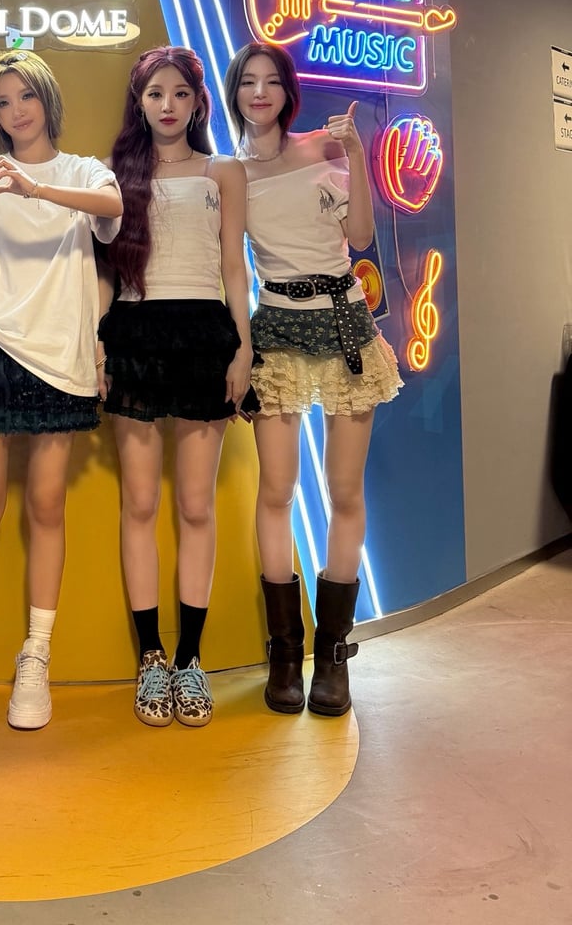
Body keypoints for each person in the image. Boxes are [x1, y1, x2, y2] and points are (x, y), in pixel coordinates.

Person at [0, 50, 123, 733]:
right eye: (3, 102)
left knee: (46, 505)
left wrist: (36, 188)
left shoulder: (82, 172)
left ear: (47, 99)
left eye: (26, 97)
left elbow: (112, 208)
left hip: (59, 359)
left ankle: (36, 657)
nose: (16, 111)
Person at [224, 41, 402, 717]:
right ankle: (284, 651)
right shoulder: (231, 173)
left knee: (345, 491)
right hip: (276, 326)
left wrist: (356, 154)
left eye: (271, 81)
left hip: (345, 325)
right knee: (276, 490)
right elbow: (233, 266)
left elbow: (358, 235)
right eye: (248, 81)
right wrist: (240, 348)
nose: (259, 92)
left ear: (287, 91)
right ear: (235, 92)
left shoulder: (326, 148)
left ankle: (333, 654)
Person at [98, 46, 258, 728]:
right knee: (139, 504)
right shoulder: (114, 176)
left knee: (196, 505)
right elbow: (106, 272)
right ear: (140, 102)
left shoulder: (223, 171)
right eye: (155, 94)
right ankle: (152, 659)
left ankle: (191, 659)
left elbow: (234, 265)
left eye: (181, 94)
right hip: (134, 335)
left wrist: (243, 348)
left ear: (197, 102)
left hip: (203, 335)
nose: (168, 106)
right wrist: (97, 342)